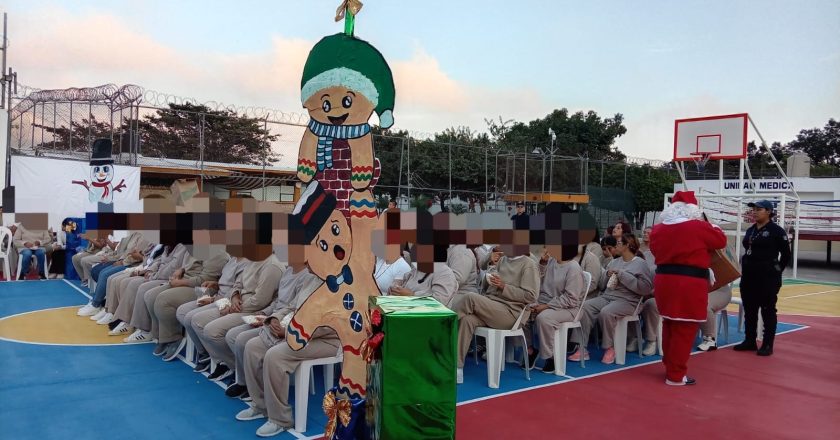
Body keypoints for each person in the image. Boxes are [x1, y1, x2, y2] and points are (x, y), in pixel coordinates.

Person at [649, 191, 726, 386]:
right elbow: (720, 240)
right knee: (685, 328)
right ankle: (676, 375)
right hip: (689, 283)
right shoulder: (698, 227)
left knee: (669, 324)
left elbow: (655, 251)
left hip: (664, 281)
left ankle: (670, 366)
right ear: (693, 209)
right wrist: (711, 224)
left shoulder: (657, 229)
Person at [453, 245, 539, 383]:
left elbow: (531, 296)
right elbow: (488, 288)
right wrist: (490, 277)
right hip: (494, 306)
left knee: (470, 298)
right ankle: (456, 368)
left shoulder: (528, 264)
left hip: (511, 313)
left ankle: (440, 329)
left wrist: (504, 286)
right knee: (467, 320)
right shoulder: (503, 260)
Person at [570, 233, 653, 364]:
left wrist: (623, 275)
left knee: (606, 312)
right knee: (585, 307)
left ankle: (609, 347)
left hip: (628, 301)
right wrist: (607, 275)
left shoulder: (640, 264)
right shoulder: (614, 261)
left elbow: (645, 288)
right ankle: (581, 347)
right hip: (608, 296)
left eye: (619, 243)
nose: (616, 245)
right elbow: (602, 285)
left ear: (627, 245)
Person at [733, 200, 791, 356]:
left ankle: (767, 344)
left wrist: (776, 270)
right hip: (749, 277)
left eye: (759, 209)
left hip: (767, 278)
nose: (755, 212)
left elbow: (786, 254)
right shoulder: (751, 230)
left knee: (767, 310)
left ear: (769, 211)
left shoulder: (776, 231)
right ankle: (750, 340)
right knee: (750, 310)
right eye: (754, 209)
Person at [523, 245, 586, 373]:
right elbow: (536, 281)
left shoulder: (573, 267)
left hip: (569, 308)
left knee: (544, 318)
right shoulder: (550, 261)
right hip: (546, 302)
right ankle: (530, 350)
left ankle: (551, 356)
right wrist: (542, 263)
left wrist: (545, 306)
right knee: (522, 311)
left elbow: (571, 299)